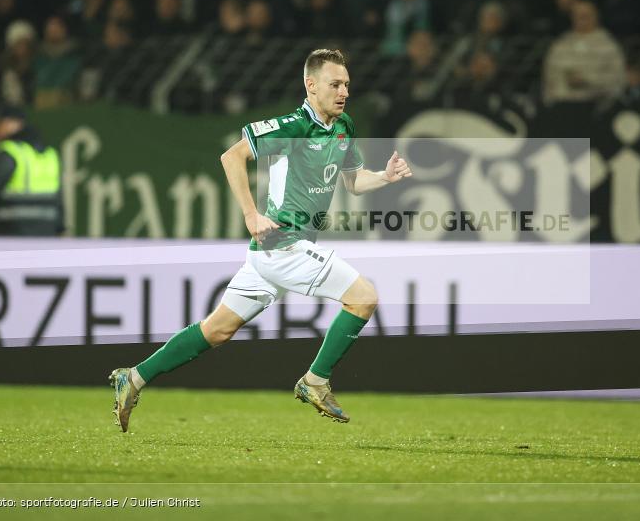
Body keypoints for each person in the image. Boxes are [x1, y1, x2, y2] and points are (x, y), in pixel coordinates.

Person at [108, 49, 413, 432]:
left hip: (273, 253)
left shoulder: (343, 126)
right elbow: (231, 157)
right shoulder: (291, 126)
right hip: (283, 244)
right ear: (311, 85)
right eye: (335, 84)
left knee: (217, 330)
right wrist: (251, 214)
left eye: (347, 85)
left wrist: (384, 176)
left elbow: (352, 182)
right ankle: (315, 380)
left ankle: (133, 378)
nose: (343, 92)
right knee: (364, 297)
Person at [0, 104, 63, 236]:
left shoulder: (11, 151)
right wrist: (60, 227)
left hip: (11, 231)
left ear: (15, 124)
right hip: (45, 231)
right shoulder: (50, 154)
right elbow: (59, 198)